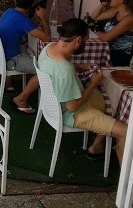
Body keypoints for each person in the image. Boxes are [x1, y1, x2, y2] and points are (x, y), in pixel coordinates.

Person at [38, 18, 127, 164]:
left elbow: (60, 67)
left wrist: (79, 66)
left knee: (113, 98)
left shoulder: (50, 48)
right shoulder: (64, 70)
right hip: (72, 114)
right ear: (78, 40)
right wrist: (93, 84)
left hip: (53, 106)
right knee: (127, 132)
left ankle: (97, 145)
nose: (85, 44)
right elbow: (73, 107)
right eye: (85, 40)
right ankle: (127, 183)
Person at [0, 0, 51, 114]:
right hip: (12, 60)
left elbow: (21, 24)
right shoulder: (22, 20)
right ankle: (21, 99)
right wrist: (44, 18)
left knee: (31, 52)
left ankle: (10, 84)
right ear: (32, 4)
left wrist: (33, 21)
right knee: (45, 71)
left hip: (1, 54)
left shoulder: (9, 12)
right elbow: (47, 38)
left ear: (15, 0)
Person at [90, 0, 133, 66]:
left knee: (89, 55)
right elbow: (95, 16)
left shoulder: (131, 19)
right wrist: (103, 3)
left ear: (120, 0)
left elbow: (106, 38)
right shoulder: (116, 11)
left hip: (121, 57)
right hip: (108, 50)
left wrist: (96, 32)